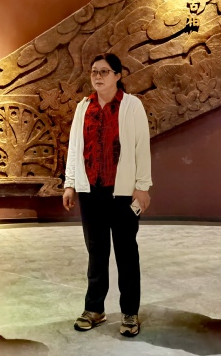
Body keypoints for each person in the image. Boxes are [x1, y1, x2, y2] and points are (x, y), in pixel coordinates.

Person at [62, 53, 152, 337]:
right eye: (94, 72)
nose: (98, 76)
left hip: (122, 194)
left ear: (117, 75)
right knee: (96, 253)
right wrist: (70, 183)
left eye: (104, 71)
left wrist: (142, 186)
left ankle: (130, 313)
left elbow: (141, 147)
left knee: (126, 254)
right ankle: (94, 309)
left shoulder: (131, 105)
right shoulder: (83, 107)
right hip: (91, 192)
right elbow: (75, 148)